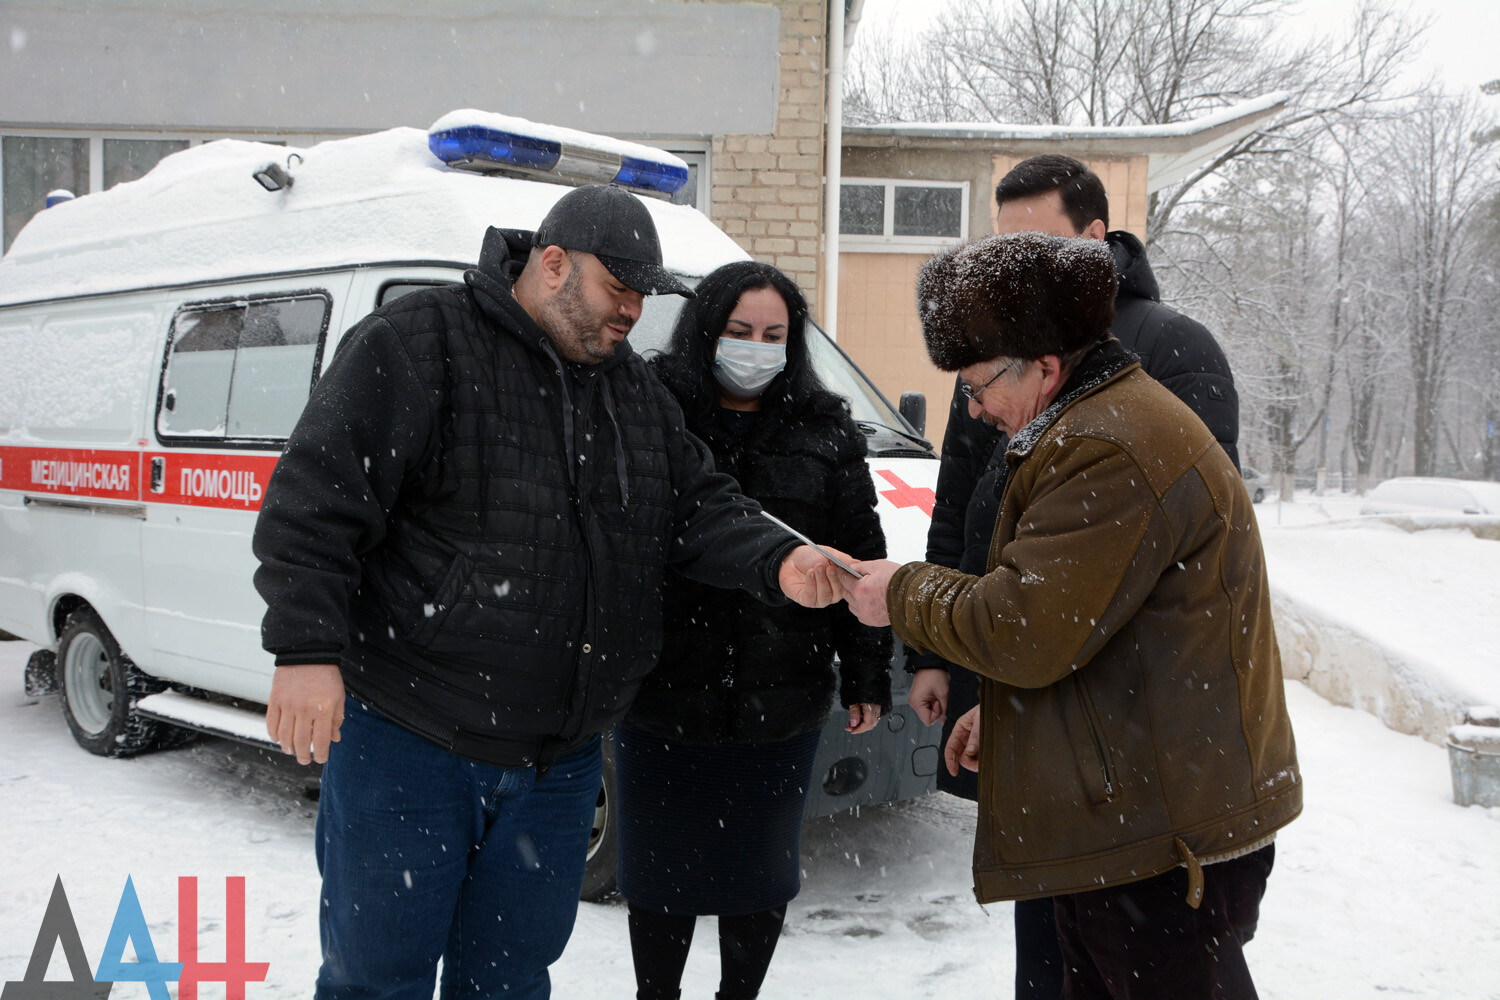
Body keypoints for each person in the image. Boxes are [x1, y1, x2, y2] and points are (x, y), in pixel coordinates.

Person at [251, 184, 848, 999]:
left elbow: (698, 505)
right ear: (554, 264)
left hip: (557, 766)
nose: (634, 311)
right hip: (413, 744)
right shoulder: (421, 342)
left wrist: (782, 560)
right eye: (619, 289)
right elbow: (315, 500)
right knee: (376, 980)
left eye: (644, 294)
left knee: (509, 982)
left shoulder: (631, 392)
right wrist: (306, 649)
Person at [846, 232, 1301, 1000]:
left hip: (1161, 839)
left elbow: (1022, 625)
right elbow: (1092, 621)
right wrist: (1009, 713)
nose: (975, 407)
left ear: (1047, 367)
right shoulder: (1086, 426)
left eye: (978, 384)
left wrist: (900, 591)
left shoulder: (1109, 446)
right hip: (1131, 819)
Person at [904, 153, 1240, 999]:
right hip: (1033, 690)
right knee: (1054, 955)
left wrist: (995, 644)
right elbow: (963, 512)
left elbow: (1147, 566)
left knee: (1154, 955)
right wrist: (949, 663)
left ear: (1096, 241)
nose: (1009, 271)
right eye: (1000, 247)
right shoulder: (998, 352)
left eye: (1037, 248)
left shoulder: (1170, 351)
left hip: (1137, 744)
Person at [614, 261, 892, 1000]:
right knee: (658, 875)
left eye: (774, 334)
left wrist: (867, 672)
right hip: (663, 693)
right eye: (739, 332)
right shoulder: (652, 407)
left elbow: (858, 556)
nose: (756, 348)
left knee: (758, 875)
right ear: (705, 331)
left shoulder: (825, 430)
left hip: (781, 695)